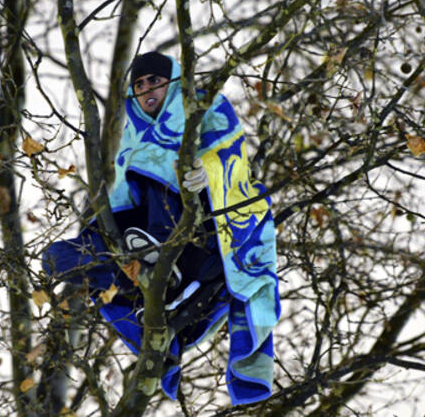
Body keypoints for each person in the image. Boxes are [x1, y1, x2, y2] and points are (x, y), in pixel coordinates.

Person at [43, 52, 280, 405]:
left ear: (173, 80)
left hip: (202, 235)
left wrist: (206, 172)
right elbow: (122, 197)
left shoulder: (205, 106)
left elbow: (233, 159)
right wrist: (99, 238)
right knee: (59, 258)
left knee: (160, 162)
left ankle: (157, 254)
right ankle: (139, 278)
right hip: (145, 247)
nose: (146, 89)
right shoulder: (133, 135)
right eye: (139, 84)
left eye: (155, 80)